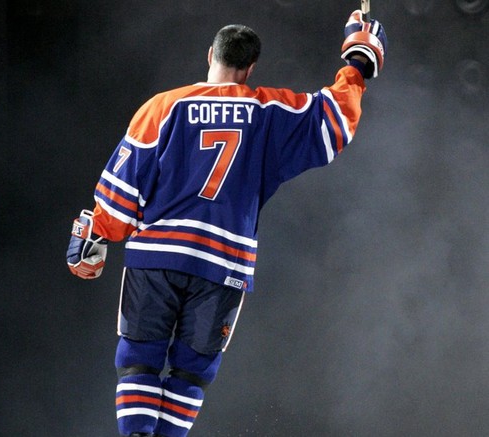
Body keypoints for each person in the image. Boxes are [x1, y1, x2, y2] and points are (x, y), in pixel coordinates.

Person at [66, 10, 387, 437]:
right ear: (250, 69)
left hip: (157, 256)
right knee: (191, 371)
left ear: (210, 55)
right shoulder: (268, 109)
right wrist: (358, 62)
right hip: (223, 263)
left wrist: (98, 233)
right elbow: (334, 122)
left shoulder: (163, 106)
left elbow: (120, 197)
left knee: (139, 357)